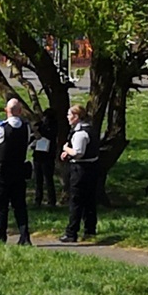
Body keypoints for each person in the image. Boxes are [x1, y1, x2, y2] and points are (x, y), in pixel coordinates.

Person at [0, 98, 32, 245]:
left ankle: (0, 236)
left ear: (7, 110)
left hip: (3, 171)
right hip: (19, 170)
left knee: (1, 205)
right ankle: (24, 236)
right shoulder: (26, 127)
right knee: (20, 205)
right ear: (20, 111)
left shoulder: (0, 128)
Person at [59, 104, 99, 243]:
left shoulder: (80, 133)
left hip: (81, 169)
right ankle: (90, 229)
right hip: (92, 168)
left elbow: (78, 153)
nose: (67, 117)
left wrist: (66, 149)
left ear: (76, 117)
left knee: (76, 201)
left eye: (69, 115)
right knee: (89, 200)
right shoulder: (90, 129)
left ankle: (71, 232)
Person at [31, 108, 58, 207]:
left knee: (47, 179)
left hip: (47, 155)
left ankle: (50, 200)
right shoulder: (40, 125)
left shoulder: (52, 127)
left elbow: (48, 135)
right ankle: (39, 199)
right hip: (40, 154)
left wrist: (38, 133)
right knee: (40, 179)